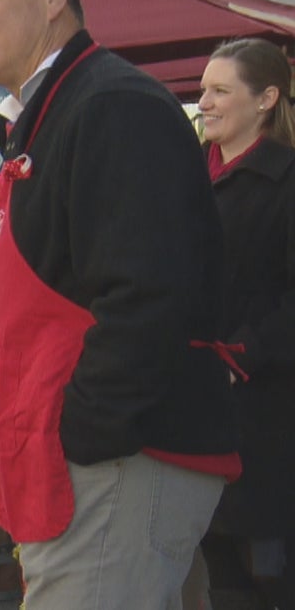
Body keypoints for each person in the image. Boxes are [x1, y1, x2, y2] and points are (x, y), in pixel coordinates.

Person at [0, 0, 238, 608]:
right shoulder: (52, 112)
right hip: (94, 469)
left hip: (116, 467)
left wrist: (80, 436)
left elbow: (148, 298)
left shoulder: (111, 107)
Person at [195, 37, 295, 609]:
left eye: (219, 90)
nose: (204, 101)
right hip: (206, 420)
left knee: (268, 577)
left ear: (266, 99)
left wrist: (242, 353)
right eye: (204, 89)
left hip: (269, 426)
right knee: (224, 583)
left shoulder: (285, 182)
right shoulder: (194, 179)